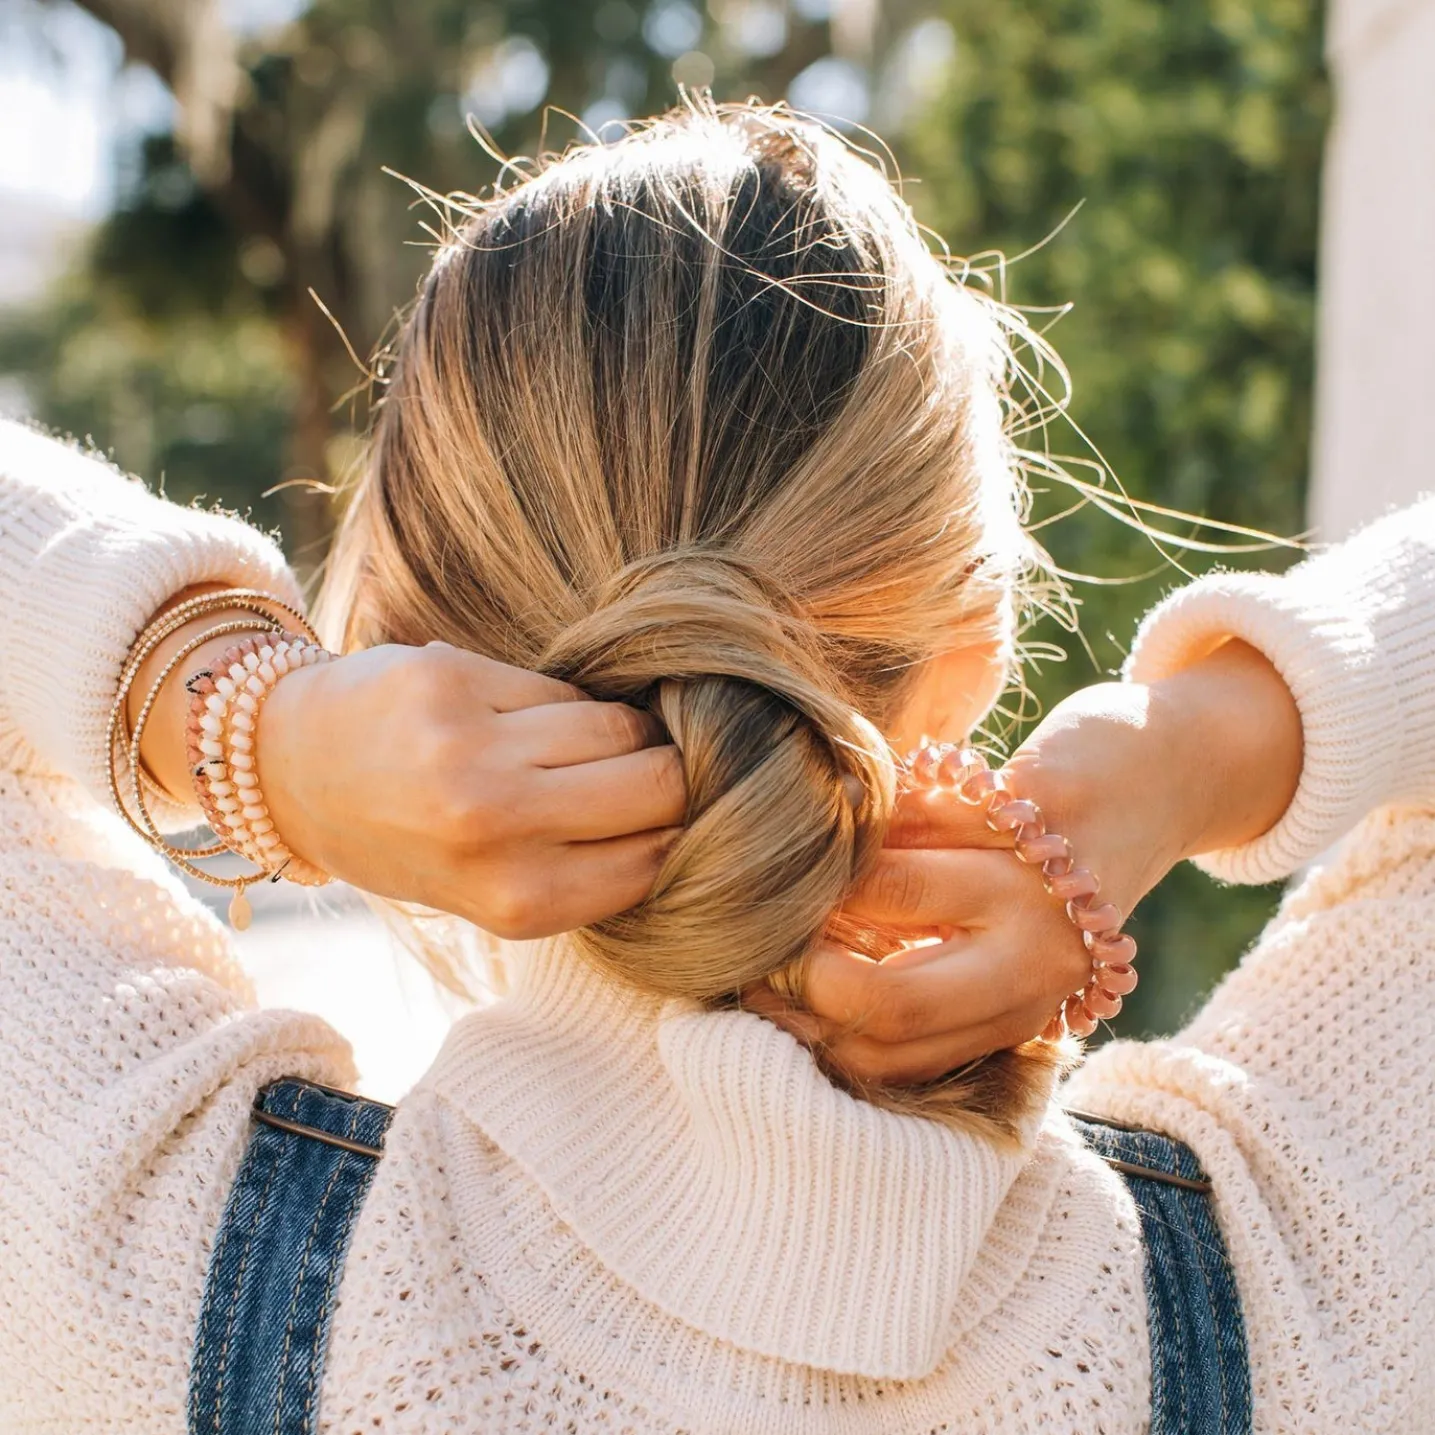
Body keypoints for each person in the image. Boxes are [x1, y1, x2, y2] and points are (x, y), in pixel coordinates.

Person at [1, 100, 1431, 1432]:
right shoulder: (1309, 1277)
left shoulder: (150, 1270)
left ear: (389, 635)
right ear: (979, 638)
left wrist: (244, 722)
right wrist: (1183, 752)